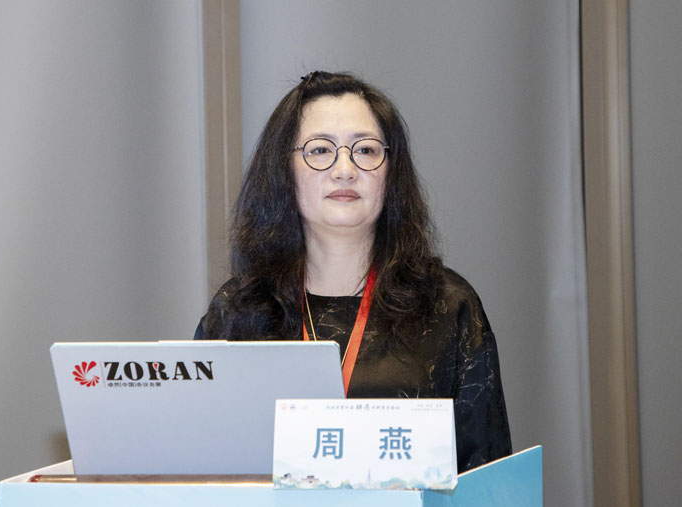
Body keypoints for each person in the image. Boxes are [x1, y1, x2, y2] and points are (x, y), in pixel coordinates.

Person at [194, 71, 511, 472]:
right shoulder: (239, 309)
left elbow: (490, 476)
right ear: (283, 169)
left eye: (365, 150)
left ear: (391, 172)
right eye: (320, 150)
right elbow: (199, 464)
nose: (344, 169)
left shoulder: (446, 305)